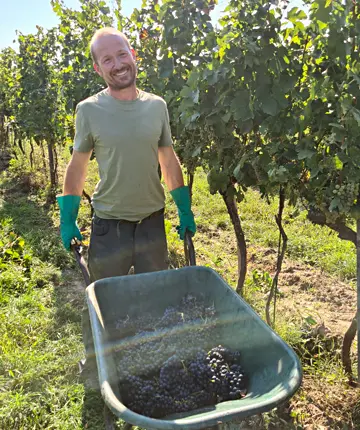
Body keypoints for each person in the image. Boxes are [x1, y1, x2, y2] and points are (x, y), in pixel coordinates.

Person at [56, 27, 196, 385]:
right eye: (107, 59)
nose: (117, 64)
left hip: (152, 222)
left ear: (133, 54)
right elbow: (78, 166)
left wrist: (183, 208)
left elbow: (168, 158)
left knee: (154, 300)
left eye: (121, 54)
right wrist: (68, 217)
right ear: (97, 68)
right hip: (110, 226)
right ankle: (96, 369)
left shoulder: (157, 106)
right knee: (103, 302)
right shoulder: (88, 110)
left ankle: (149, 364)